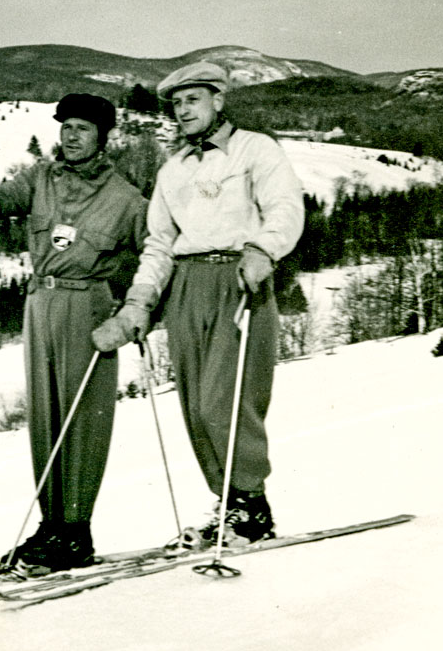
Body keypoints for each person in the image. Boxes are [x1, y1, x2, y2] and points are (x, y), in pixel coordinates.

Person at [92, 61, 305, 547]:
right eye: (176, 103)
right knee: (194, 405)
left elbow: (286, 206)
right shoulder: (173, 170)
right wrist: (140, 301)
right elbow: (160, 242)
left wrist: (262, 249)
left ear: (218, 100)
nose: (182, 110)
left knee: (223, 402)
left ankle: (252, 506)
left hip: (239, 277)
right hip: (187, 286)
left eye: (193, 100)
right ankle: (229, 504)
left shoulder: (256, 149)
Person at [0, 93, 147, 572]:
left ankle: (76, 531)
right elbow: (1, 200)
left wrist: (132, 316)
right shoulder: (40, 179)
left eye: (82, 128)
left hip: (89, 307)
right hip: (40, 303)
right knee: (46, 417)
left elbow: (154, 258)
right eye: (66, 127)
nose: (71, 136)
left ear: (103, 136)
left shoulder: (126, 198)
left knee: (83, 419)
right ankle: (50, 526)